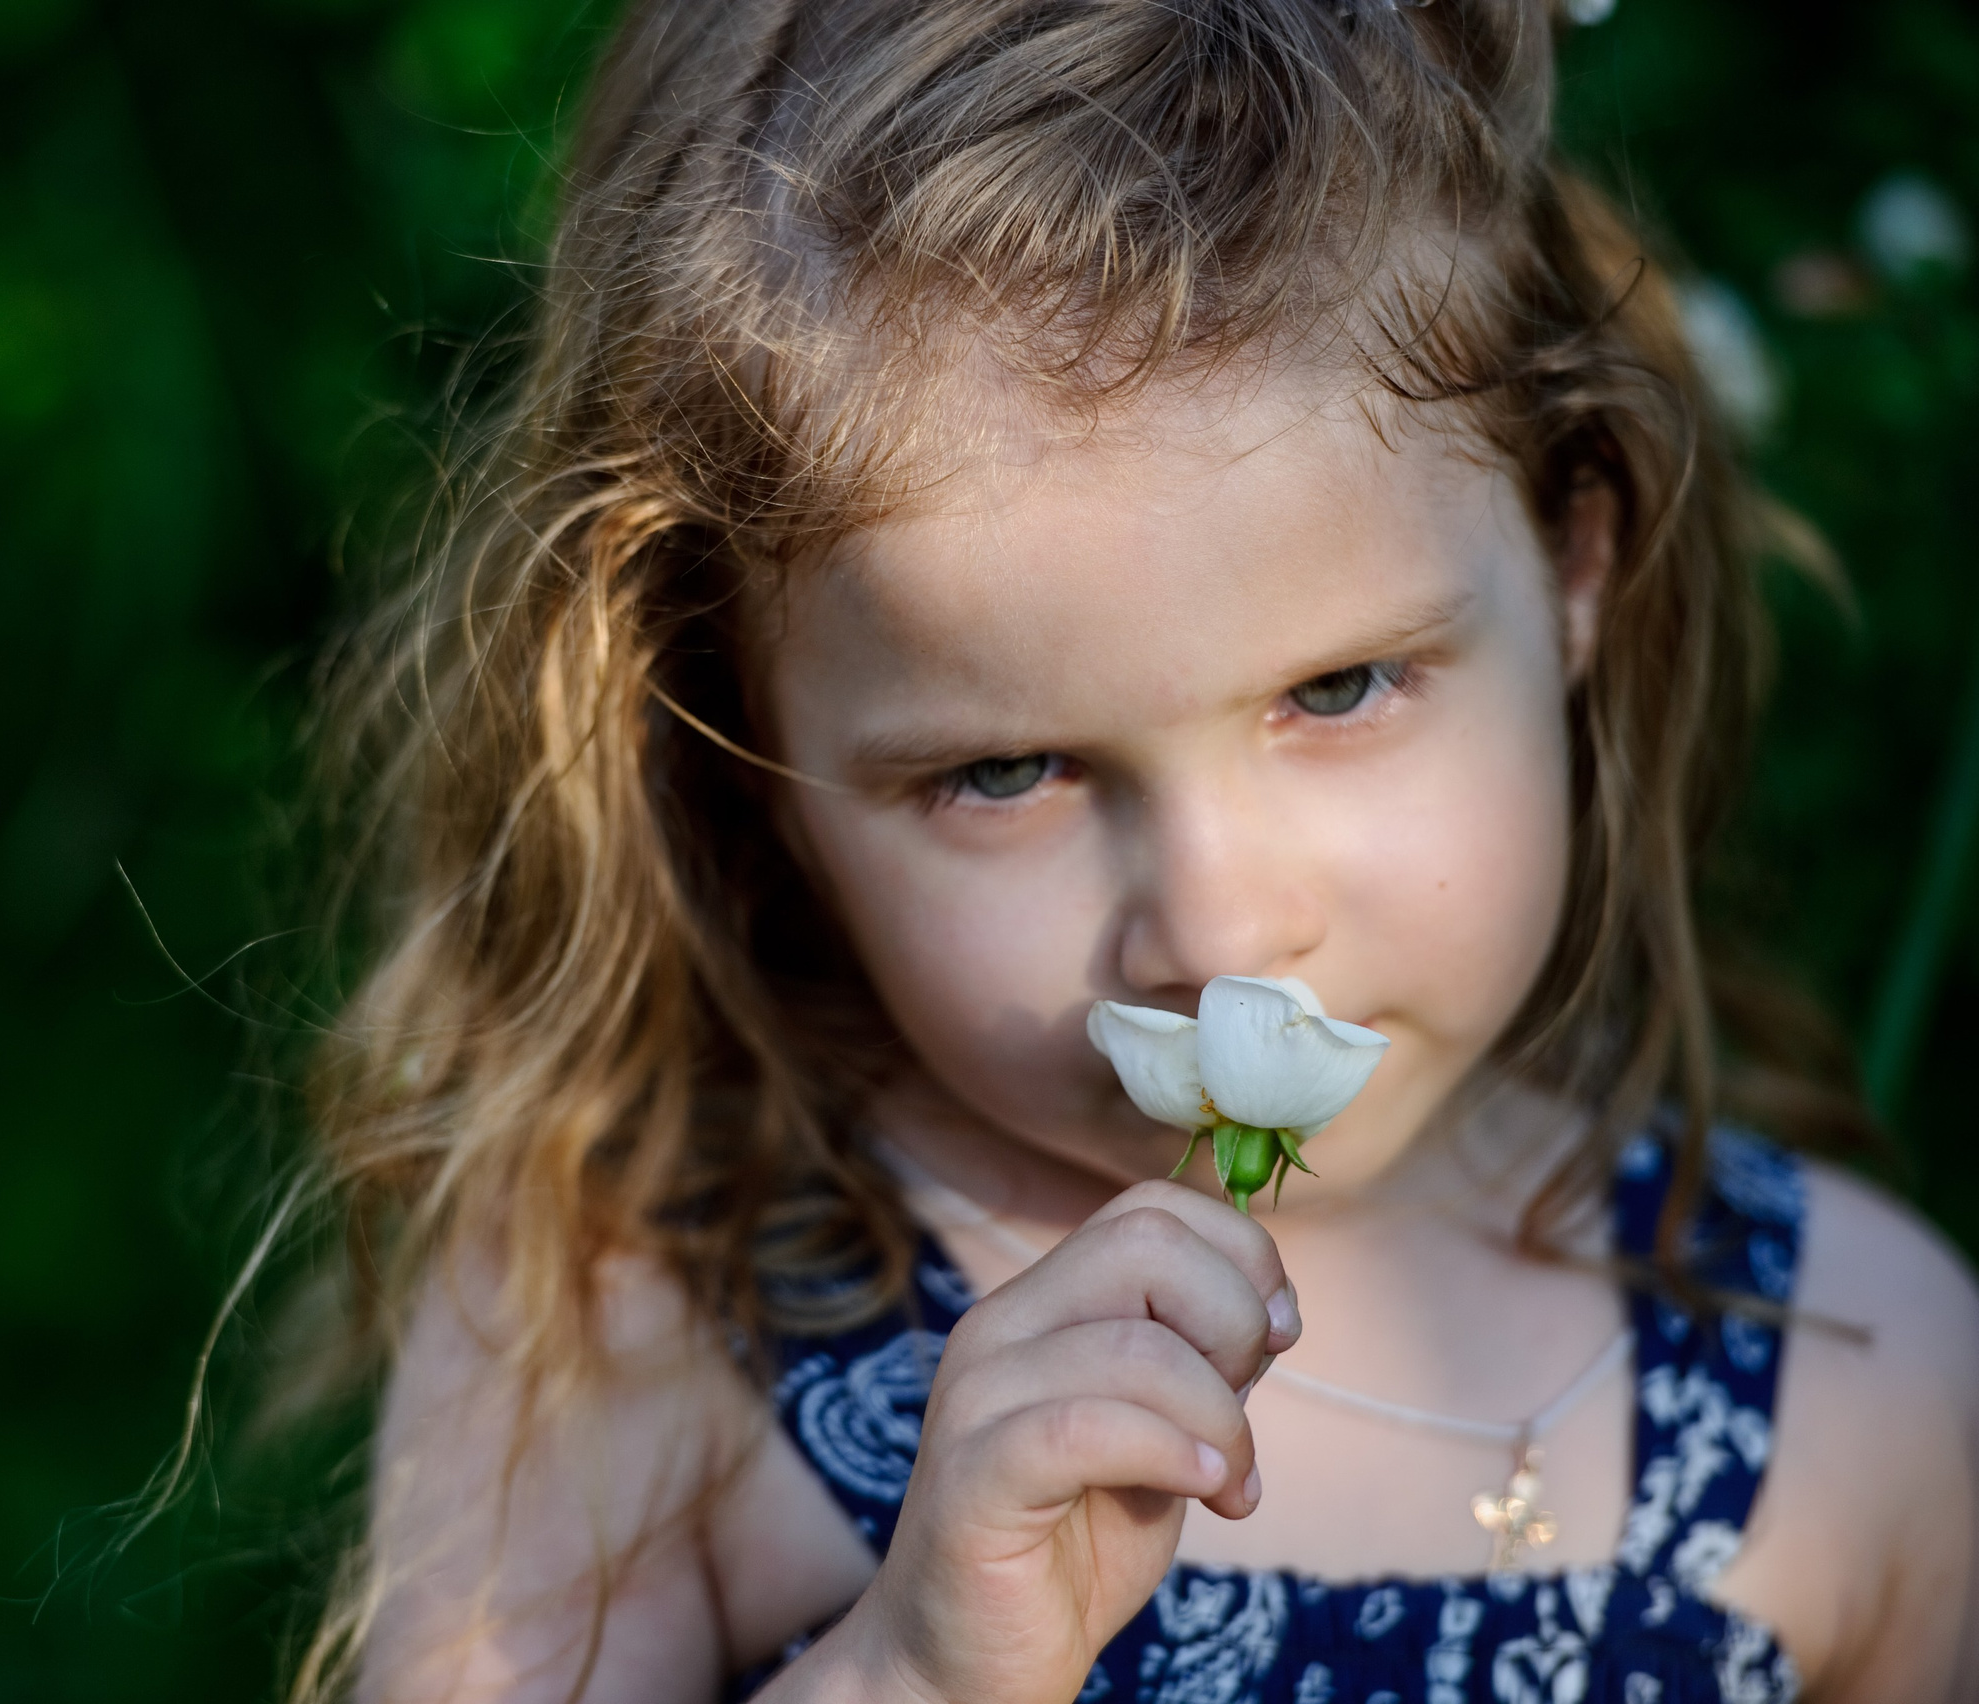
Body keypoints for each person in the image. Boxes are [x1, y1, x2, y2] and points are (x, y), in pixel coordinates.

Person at [306, 1, 1979, 1699]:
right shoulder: (638, 1325)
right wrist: (914, 1672)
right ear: (749, 766)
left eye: (1339, 687)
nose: (1220, 921)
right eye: (1006, 770)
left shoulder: (1864, 1366)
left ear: (1572, 565)